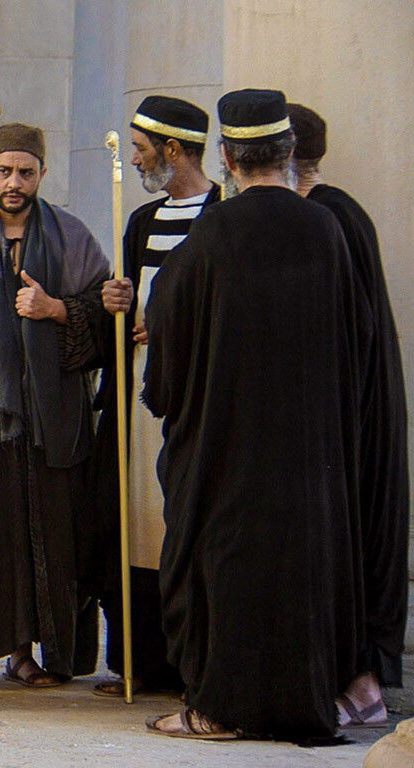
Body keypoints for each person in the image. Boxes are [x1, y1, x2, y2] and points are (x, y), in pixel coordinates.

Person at [142, 89, 362, 740]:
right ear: (288, 152)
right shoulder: (325, 228)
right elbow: (357, 339)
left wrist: (169, 393)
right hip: (308, 449)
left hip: (229, 446)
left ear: (228, 157)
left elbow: (167, 322)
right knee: (300, 571)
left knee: (228, 569)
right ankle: (298, 703)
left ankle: (218, 708)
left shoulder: (214, 231)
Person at [0, 123, 110, 687]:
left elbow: (101, 315)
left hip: (50, 416)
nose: (14, 183)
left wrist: (54, 309)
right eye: (4, 171)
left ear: (42, 173)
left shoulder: (71, 235)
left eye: (26, 172)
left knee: (54, 535)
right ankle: (5, 648)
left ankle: (47, 650)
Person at [93, 96, 220, 697]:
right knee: (136, 522)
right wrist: (113, 303)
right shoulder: (143, 220)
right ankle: (139, 660)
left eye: (143, 150)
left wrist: (171, 329)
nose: (138, 160)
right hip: (139, 396)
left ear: (174, 149)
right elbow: (125, 306)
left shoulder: (223, 215)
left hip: (194, 398)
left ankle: (192, 663)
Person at [289, 101, 408, 728]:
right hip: (342, 415)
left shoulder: (329, 215)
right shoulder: (331, 212)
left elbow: (345, 329)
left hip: (348, 421)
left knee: (353, 543)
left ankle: (362, 687)